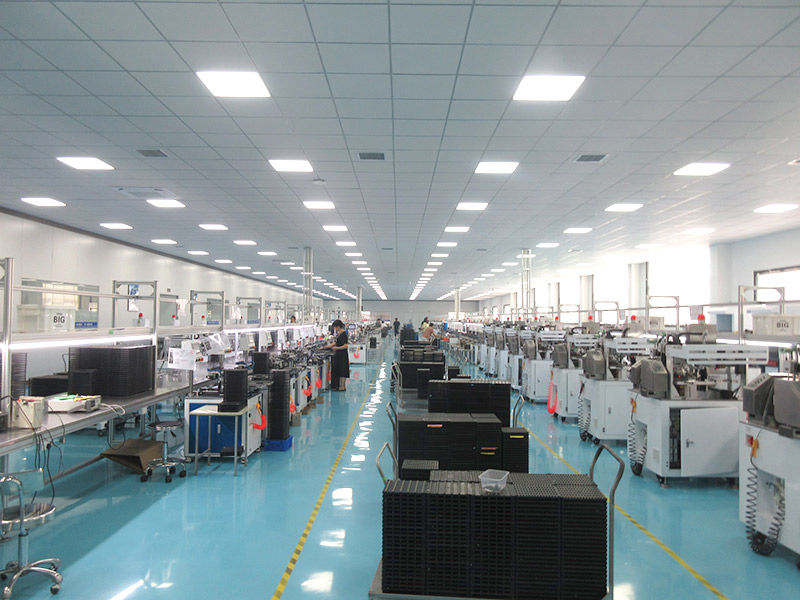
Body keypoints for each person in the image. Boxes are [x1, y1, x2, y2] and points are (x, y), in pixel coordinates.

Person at [324, 319, 349, 391]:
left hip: (342, 355)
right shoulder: (340, 334)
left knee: (342, 370)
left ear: (338, 326)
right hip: (339, 355)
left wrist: (336, 348)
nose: (334, 329)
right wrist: (325, 347)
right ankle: (341, 386)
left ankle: (342, 386)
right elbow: (335, 342)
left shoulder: (343, 334)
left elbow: (346, 345)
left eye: (335, 327)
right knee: (340, 370)